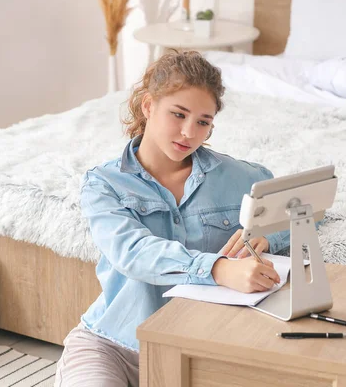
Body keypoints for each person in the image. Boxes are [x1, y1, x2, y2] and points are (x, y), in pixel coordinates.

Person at [54, 50, 290, 387]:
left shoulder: (239, 177)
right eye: (178, 115)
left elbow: (302, 212)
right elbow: (132, 252)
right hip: (112, 346)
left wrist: (267, 236)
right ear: (149, 106)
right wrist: (218, 268)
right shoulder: (104, 184)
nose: (188, 133)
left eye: (203, 122)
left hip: (200, 352)